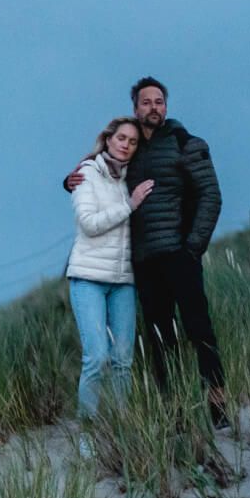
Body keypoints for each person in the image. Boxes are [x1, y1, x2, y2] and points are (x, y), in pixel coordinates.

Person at [64, 76, 227, 422]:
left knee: (199, 330)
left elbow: (211, 197)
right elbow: (100, 169)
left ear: (166, 107)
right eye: (146, 102)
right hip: (143, 263)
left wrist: (192, 248)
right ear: (135, 108)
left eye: (159, 102)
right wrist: (70, 180)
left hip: (180, 255)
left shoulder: (186, 143)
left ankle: (218, 408)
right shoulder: (132, 149)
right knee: (160, 339)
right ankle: (175, 411)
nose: (153, 107)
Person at [66, 117, 154, 421]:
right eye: (121, 139)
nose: (126, 145)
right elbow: (89, 225)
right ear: (107, 139)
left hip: (124, 281)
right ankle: (87, 433)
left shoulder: (134, 177)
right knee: (97, 358)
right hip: (88, 278)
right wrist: (130, 205)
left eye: (132, 142)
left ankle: (123, 429)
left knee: (122, 360)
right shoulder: (86, 174)